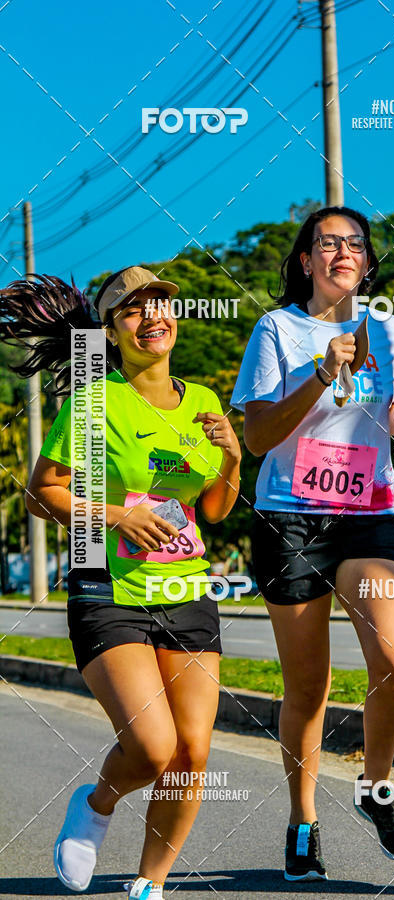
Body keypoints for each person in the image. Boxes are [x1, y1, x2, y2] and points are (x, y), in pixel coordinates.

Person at [0, 266, 241, 899]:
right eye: (134, 310)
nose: (153, 316)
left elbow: (214, 509)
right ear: (111, 332)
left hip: (185, 591)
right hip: (107, 589)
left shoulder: (205, 402)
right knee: (153, 746)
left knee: (192, 754)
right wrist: (119, 515)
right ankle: (98, 802)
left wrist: (234, 457)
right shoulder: (93, 401)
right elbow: (39, 491)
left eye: (161, 303)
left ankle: (149, 885)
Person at [231, 206, 394, 880]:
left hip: (369, 514)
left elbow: (388, 422)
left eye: (355, 243)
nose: (343, 251)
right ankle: (303, 819)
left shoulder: (390, 330)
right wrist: (318, 370)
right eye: (327, 242)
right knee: (307, 688)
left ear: (367, 263)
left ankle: (375, 788)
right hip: (290, 519)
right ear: (307, 261)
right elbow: (256, 439)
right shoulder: (277, 329)